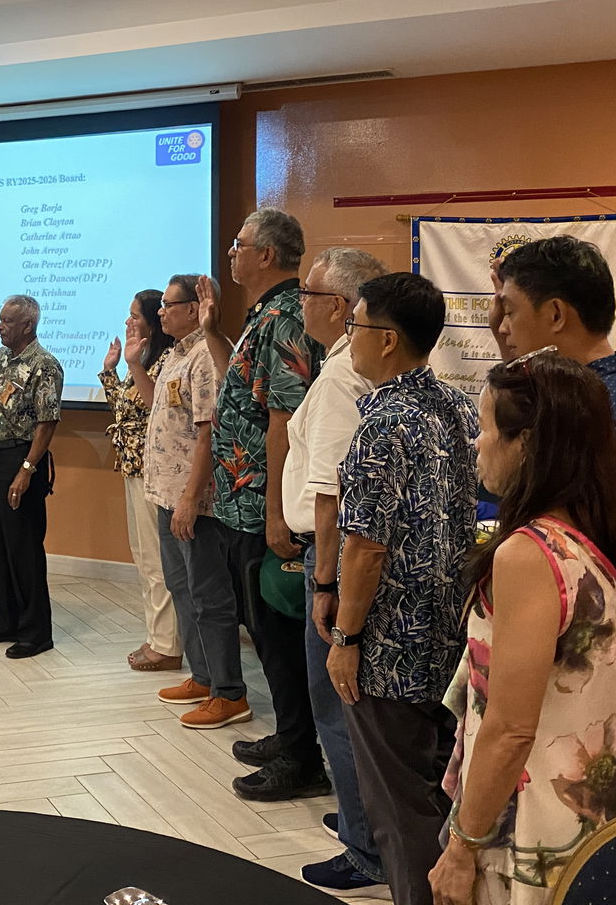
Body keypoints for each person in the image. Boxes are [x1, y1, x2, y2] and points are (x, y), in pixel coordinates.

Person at [429, 351, 616, 905]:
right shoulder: (611, 532)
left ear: (525, 442)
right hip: (592, 817)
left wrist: (461, 847)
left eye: (483, 430)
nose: (475, 444)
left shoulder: (531, 555)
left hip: (530, 824)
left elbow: (510, 730)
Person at [490, 236, 616, 802]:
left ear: (554, 315)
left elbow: (602, 561)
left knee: (588, 865)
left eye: (510, 309)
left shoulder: (610, 409)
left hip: (615, 671)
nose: (501, 326)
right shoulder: (603, 397)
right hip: (608, 664)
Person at [329, 273, 478, 905]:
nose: (349, 338)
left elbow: (365, 545)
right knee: (438, 791)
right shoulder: (456, 407)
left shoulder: (384, 422)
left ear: (387, 340)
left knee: (398, 809)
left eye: (354, 324)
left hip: (389, 646)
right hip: (450, 637)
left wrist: (346, 636)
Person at [195, 210, 327, 785]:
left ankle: (303, 758)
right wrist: (210, 331)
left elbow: (284, 420)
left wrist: (276, 512)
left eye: (239, 244)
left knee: (275, 633)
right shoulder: (263, 316)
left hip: (260, 510)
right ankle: (290, 736)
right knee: (264, 631)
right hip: (239, 503)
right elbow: (240, 388)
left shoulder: (289, 316)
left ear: (267, 255)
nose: (231, 253)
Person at [280, 248, 390, 895]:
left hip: (341, 563)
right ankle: (360, 817)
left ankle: (365, 847)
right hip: (355, 558)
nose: (302, 304)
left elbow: (331, 496)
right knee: (353, 710)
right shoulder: (363, 368)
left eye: (309, 293)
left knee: (337, 709)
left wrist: (324, 582)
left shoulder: (340, 378)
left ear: (342, 307)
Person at [140, 276, 233, 723]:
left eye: (168, 305)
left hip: (193, 500)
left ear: (195, 309)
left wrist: (191, 497)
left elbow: (208, 432)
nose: (160, 312)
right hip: (165, 493)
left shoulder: (205, 358)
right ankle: (201, 675)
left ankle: (228, 691)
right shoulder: (175, 354)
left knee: (207, 593)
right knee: (181, 587)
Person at [0, 294, 63, 659]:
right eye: (1, 321)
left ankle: (36, 632)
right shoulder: (2, 356)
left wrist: (27, 468)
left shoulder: (44, 364)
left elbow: (48, 420)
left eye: (7, 322)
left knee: (24, 548)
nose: (0, 328)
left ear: (28, 325)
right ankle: (5, 618)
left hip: (21, 460)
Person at [99, 289, 181, 672]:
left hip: (157, 470)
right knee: (144, 556)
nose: (129, 321)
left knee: (157, 561)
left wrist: (132, 367)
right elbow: (124, 407)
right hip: (134, 466)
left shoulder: (168, 358)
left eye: (136, 315)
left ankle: (168, 645)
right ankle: (157, 635)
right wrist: (112, 369)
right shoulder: (146, 358)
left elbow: (156, 407)